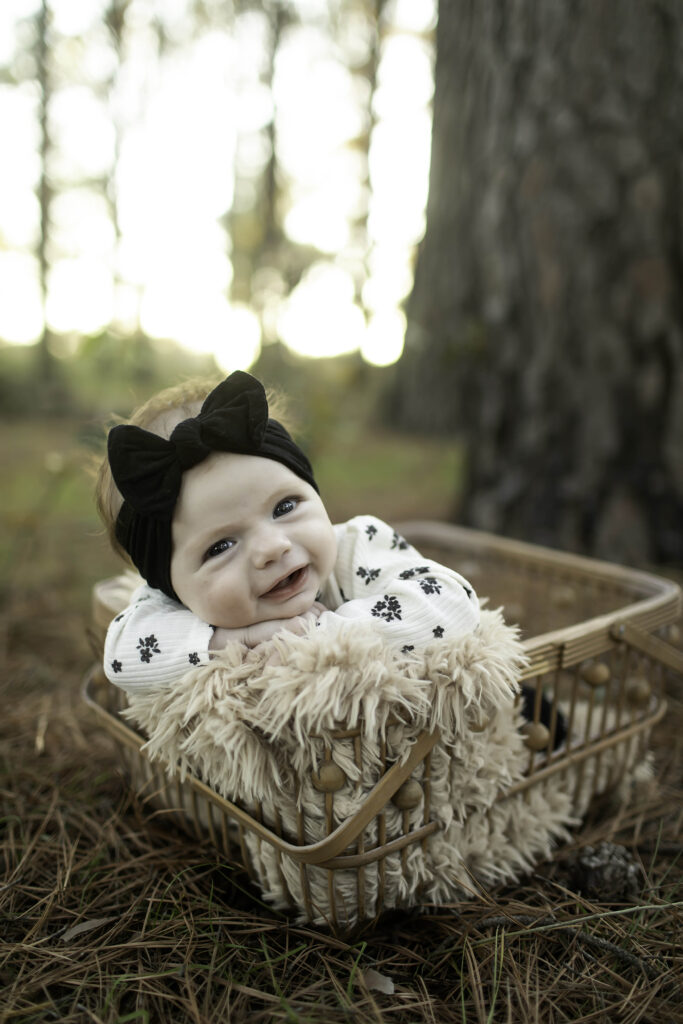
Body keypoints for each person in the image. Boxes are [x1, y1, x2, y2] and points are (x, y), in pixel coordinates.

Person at [97, 371, 481, 695]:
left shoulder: (358, 547)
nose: (272, 547)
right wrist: (233, 642)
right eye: (221, 546)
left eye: (284, 507)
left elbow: (453, 603)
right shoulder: (169, 605)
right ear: (169, 584)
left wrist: (319, 634)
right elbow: (120, 656)